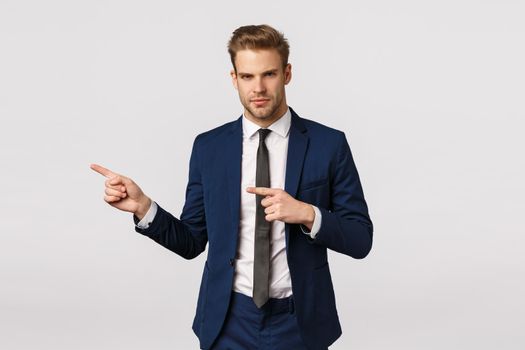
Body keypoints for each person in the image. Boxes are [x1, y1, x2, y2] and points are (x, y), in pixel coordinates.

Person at [91, 24, 373, 350]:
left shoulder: (329, 145)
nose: (259, 88)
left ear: (287, 74)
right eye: (248, 76)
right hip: (227, 319)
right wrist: (143, 207)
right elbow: (192, 241)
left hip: (299, 321)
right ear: (234, 78)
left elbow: (360, 238)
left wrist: (308, 214)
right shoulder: (209, 147)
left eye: (269, 74)